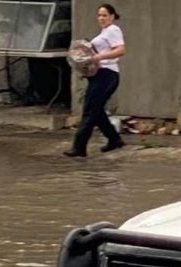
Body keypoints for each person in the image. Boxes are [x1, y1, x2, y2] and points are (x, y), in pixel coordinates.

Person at [64, 3, 126, 158]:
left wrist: (98, 57)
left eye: (105, 15)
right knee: (96, 110)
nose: (101, 18)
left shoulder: (113, 30)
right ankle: (114, 140)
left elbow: (120, 50)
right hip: (99, 74)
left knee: (90, 110)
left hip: (107, 74)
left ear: (112, 16)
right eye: (99, 15)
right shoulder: (105, 32)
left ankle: (79, 146)